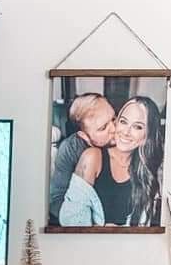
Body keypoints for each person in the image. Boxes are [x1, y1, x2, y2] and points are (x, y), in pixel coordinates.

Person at [71, 96, 164, 226]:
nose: (125, 132)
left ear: (147, 135)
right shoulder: (93, 157)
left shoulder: (150, 169)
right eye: (123, 121)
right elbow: (72, 219)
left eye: (137, 127)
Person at [49, 93, 116, 224]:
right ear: (84, 136)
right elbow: (57, 200)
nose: (114, 129)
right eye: (103, 128)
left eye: (114, 119)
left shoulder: (123, 139)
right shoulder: (70, 149)